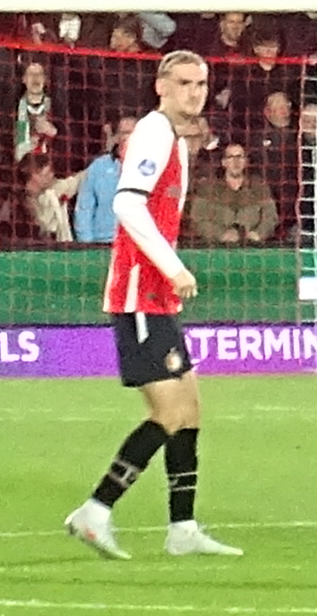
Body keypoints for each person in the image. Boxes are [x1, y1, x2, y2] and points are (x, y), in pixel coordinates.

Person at [64, 46, 239, 561]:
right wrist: (173, 266)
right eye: (184, 82)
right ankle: (96, 509)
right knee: (170, 412)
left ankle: (182, 527)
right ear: (160, 86)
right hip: (141, 292)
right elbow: (125, 201)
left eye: (201, 84)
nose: (194, 92)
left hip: (156, 295)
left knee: (190, 410)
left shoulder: (176, 141)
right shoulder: (154, 133)